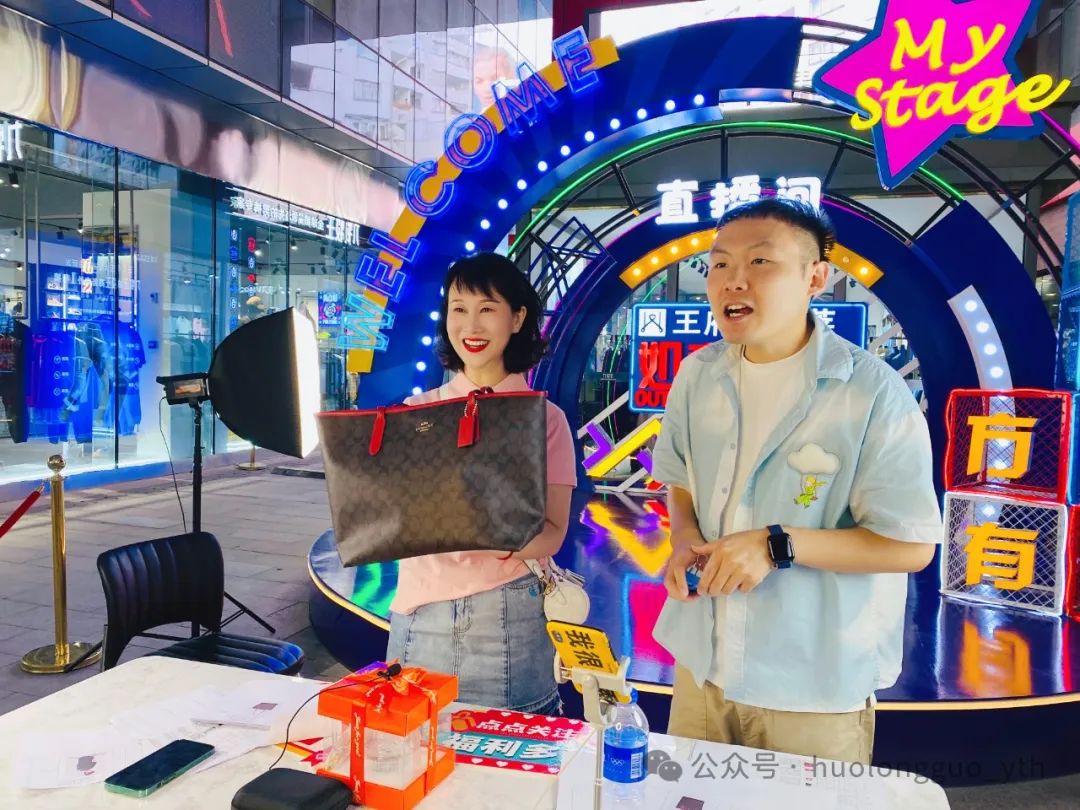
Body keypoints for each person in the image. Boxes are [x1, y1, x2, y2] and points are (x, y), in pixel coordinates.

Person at [650, 197, 942, 764]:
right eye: (719, 264)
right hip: (702, 665)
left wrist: (776, 545)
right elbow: (678, 476)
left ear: (815, 277)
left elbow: (910, 546)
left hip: (812, 683)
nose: (733, 281)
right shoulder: (698, 375)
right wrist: (683, 536)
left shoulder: (872, 393)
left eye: (760, 262)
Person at [386, 252, 578, 716]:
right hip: (420, 612)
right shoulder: (415, 413)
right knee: (413, 743)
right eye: (459, 308)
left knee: (511, 747)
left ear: (518, 318)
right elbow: (392, 518)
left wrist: (492, 539)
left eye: (487, 308)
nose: (471, 324)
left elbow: (554, 532)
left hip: (507, 612)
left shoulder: (545, 419)